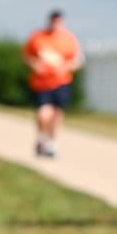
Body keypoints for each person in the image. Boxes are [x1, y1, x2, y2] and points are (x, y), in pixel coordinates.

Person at [22, 10, 83, 158]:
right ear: (49, 21)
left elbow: (77, 61)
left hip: (61, 81)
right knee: (43, 113)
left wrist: (65, 68)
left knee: (57, 114)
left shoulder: (68, 39)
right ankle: (41, 138)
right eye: (53, 21)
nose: (55, 24)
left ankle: (51, 143)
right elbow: (26, 56)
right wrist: (35, 65)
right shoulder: (37, 37)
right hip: (41, 82)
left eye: (58, 21)